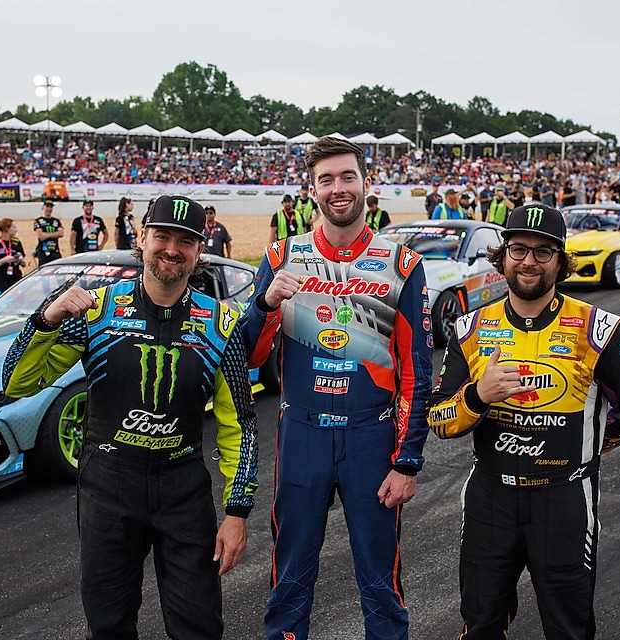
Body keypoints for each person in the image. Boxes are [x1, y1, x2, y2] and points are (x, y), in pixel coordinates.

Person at [2, 195, 259, 640]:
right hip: (108, 487)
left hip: (182, 491)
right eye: (162, 236)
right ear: (142, 238)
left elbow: (242, 425)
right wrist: (45, 318)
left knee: (199, 625)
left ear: (200, 250)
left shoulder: (223, 323)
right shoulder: (96, 310)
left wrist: (237, 513)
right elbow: (17, 382)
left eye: (185, 241)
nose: (172, 249)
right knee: (108, 626)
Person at [426, 203, 620, 639]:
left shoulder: (600, 328)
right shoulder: (471, 327)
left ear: (560, 260)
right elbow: (438, 419)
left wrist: (584, 452)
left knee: (569, 628)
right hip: (490, 499)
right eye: (518, 249)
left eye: (543, 252)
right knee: (481, 624)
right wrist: (479, 396)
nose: (528, 261)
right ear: (502, 256)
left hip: (564, 500)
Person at [243, 136, 433, 640]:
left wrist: (407, 460)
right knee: (289, 581)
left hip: (371, 439)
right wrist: (264, 304)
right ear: (312, 190)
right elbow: (250, 356)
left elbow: (417, 373)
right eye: (326, 179)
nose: (338, 188)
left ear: (366, 184)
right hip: (301, 435)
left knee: (381, 583)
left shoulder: (403, 265)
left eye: (347, 176)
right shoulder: (282, 256)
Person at [0, 217, 26, 293]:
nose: (16, 230)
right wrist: (3, 261)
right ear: (6, 229)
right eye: (13, 227)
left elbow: (24, 264)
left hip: (16, 280)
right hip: (1, 281)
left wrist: (20, 259)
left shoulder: (16, 243)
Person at [33, 200, 64, 265]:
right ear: (43, 207)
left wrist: (47, 235)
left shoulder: (56, 221)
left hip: (55, 251)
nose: (49, 209)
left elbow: (61, 233)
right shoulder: (38, 220)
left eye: (51, 207)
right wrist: (55, 234)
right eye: (47, 206)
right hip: (43, 252)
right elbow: (41, 236)